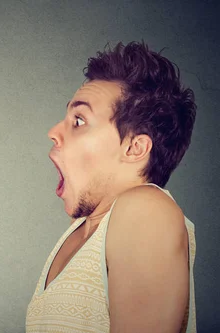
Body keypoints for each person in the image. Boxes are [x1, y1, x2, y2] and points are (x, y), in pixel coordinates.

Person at [26, 42, 197, 332]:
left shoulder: (145, 210)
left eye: (79, 120)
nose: (53, 132)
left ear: (134, 148)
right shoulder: (82, 230)